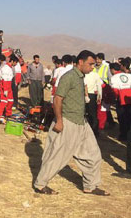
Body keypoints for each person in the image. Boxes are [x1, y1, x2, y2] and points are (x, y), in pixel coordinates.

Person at [34, 50, 109, 196]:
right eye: (90, 64)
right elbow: (57, 99)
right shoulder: (69, 77)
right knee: (58, 155)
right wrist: (60, 121)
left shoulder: (80, 77)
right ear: (80, 62)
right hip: (68, 122)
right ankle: (41, 184)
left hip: (82, 122)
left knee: (93, 154)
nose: (93, 67)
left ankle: (90, 186)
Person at [110, 61, 131, 143]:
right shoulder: (128, 75)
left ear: (112, 70)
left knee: (122, 118)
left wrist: (116, 98)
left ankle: (123, 136)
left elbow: (115, 90)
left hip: (121, 100)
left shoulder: (114, 78)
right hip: (129, 99)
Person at [0, 54, 17, 123]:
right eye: (16, 62)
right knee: (3, 102)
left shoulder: (10, 68)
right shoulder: (5, 68)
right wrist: (5, 90)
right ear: (13, 61)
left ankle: (8, 114)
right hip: (4, 87)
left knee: (10, 101)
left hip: (9, 87)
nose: (16, 64)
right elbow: (4, 80)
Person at [84, 68, 103, 137]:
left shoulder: (84, 74)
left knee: (86, 113)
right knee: (93, 114)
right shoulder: (95, 75)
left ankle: (89, 130)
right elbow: (99, 86)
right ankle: (95, 131)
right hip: (92, 95)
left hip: (85, 94)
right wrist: (99, 96)